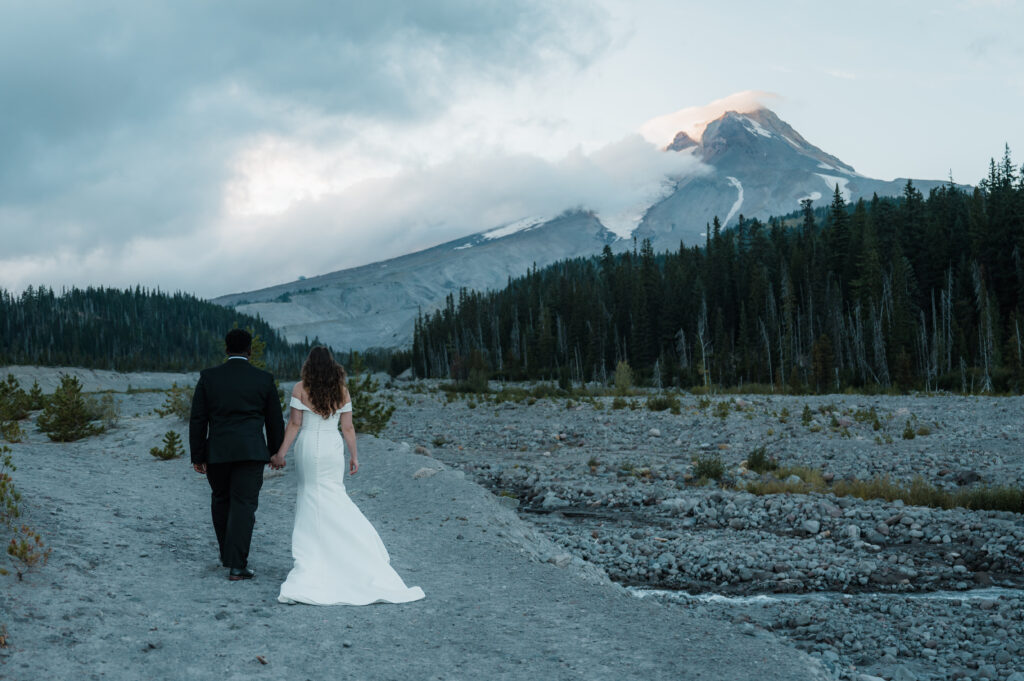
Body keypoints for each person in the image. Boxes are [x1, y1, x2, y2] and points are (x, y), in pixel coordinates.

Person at [272, 346, 424, 605]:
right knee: (333, 494)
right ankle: (352, 548)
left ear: (309, 365)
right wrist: (354, 456)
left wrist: (280, 454)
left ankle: (316, 553)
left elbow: (296, 424)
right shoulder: (341, 390)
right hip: (332, 447)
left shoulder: (300, 388)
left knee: (311, 496)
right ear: (332, 365)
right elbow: (348, 427)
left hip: (309, 446)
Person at [189, 328, 284, 581]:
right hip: (251, 452)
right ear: (250, 350)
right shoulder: (263, 379)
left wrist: (197, 455)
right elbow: (274, 420)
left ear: (226, 349)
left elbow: (198, 419)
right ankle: (237, 564)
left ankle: (226, 555)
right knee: (244, 506)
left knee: (221, 500)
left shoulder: (209, 378)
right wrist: (275, 451)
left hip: (217, 452)